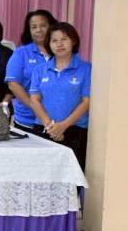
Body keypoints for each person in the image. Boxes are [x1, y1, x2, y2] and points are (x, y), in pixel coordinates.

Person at [29, 22, 91, 169]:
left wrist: (63, 126)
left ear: (73, 41)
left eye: (64, 39)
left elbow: (86, 102)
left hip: (75, 131)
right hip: (44, 129)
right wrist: (51, 126)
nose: (59, 44)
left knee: (72, 177)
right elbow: (35, 99)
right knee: (42, 175)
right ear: (48, 44)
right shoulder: (40, 70)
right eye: (54, 40)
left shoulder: (86, 69)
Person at [5, 9, 57, 134]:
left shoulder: (60, 51)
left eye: (43, 25)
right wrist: (35, 107)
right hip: (28, 120)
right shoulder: (21, 53)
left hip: (57, 121)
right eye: (34, 27)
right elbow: (13, 84)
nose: (39, 30)